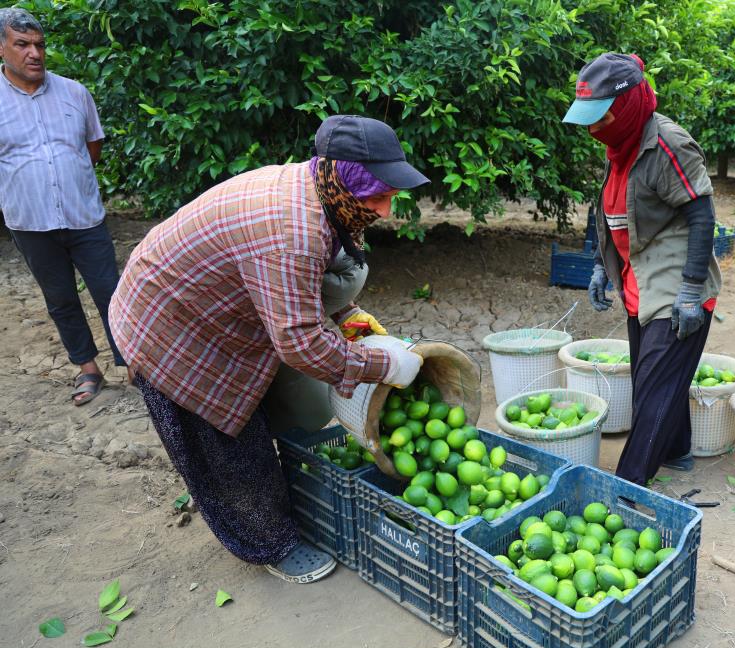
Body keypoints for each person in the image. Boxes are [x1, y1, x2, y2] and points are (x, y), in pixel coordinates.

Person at [109, 115, 428, 583]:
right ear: (345, 182)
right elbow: (299, 341)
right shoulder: (292, 229)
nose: (384, 210)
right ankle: (268, 544)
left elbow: (297, 287)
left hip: (213, 309)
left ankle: (277, 509)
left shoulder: (321, 191)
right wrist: (381, 364)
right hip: (172, 329)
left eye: (390, 196)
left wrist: (347, 316)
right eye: (378, 197)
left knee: (253, 419)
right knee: (225, 443)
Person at [563, 52, 722, 486]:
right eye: (589, 119)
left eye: (602, 117)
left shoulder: (667, 142)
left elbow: (702, 215)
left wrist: (691, 292)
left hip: (673, 283)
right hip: (638, 278)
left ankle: (628, 487)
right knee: (654, 375)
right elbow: (613, 209)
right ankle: (677, 451)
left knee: (652, 390)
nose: (594, 129)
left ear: (629, 104)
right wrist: (599, 264)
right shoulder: (621, 145)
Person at [0, 7, 125, 405]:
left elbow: (92, 148)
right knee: (61, 299)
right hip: (30, 223)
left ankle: (135, 366)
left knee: (113, 293)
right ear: (2, 48)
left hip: (84, 217)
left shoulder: (75, 92)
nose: (34, 53)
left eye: (39, 44)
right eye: (22, 45)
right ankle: (88, 369)